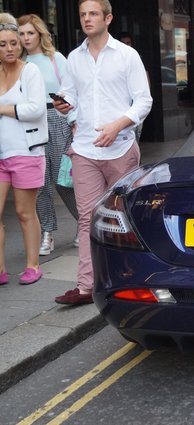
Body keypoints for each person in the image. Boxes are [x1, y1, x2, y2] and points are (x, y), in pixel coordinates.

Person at [52, 0, 152, 305]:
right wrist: (62, 103)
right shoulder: (74, 57)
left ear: (107, 18)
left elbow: (143, 101)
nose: (86, 19)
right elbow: (69, 93)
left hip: (120, 147)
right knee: (87, 218)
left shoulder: (127, 55)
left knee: (121, 218)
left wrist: (118, 125)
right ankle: (86, 286)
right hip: (84, 149)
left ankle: (126, 280)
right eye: (83, 14)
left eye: (93, 13)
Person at [17, 13, 79, 256]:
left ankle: (83, 225)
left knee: (63, 181)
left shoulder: (56, 58)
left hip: (57, 118)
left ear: (40, 34)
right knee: (39, 184)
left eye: (30, 33)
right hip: (30, 123)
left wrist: (74, 122)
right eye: (21, 33)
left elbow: (71, 92)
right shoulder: (17, 62)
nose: (25, 38)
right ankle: (48, 233)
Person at [0, 13, 47, 285]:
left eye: (13, 43)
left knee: (23, 212)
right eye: (3, 44)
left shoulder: (30, 71)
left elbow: (35, 109)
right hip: (1, 153)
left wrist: (3, 109)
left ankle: (33, 265)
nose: (9, 48)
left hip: (26, 151)